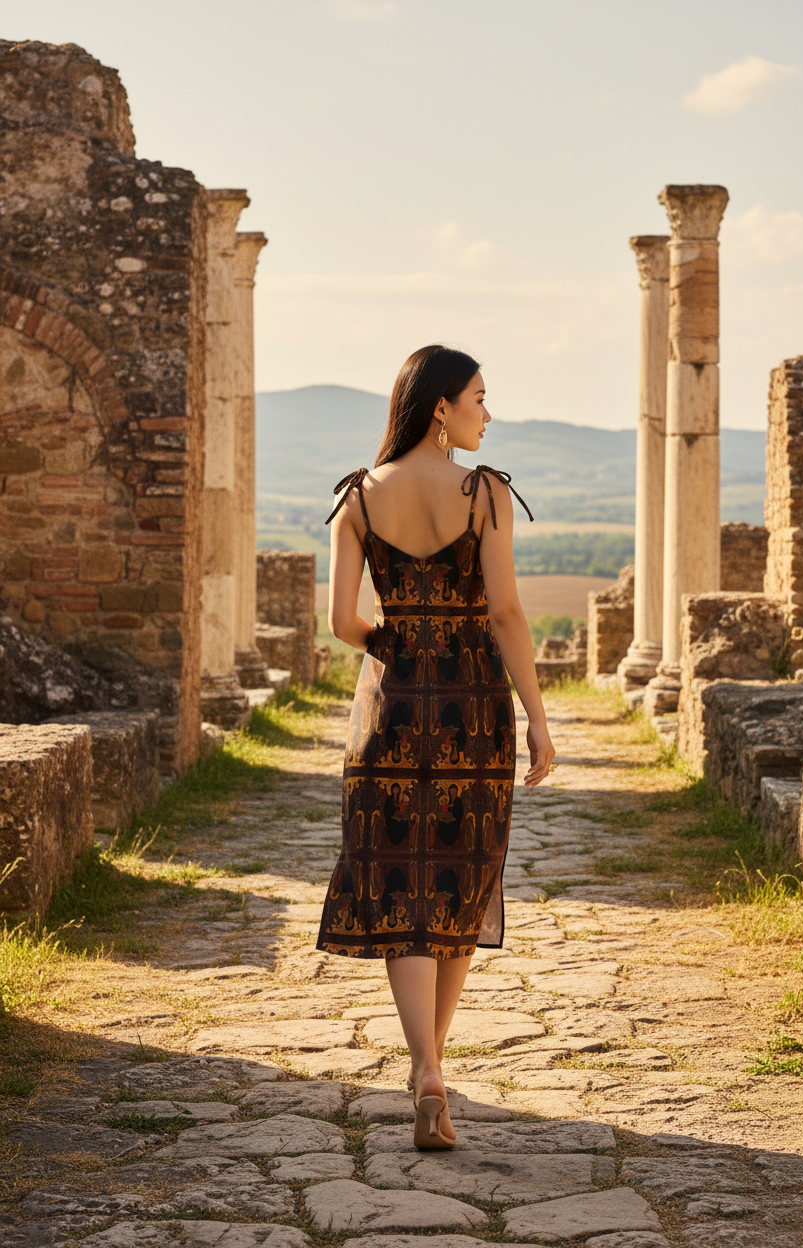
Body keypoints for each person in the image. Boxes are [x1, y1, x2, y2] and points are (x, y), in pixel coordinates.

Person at [316, 344, 556, 1148]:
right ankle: (433, 1070)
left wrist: (398, 640)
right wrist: (538, 716)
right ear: (442, 408)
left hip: (387, 709)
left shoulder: (359, 498)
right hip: (471, 707)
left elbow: (342, 624)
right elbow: (508, 614)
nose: (490, 413)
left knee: (400, 885)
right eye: (481, 398)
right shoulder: (484, 495)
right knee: (459, 879)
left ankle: (425, 1065)